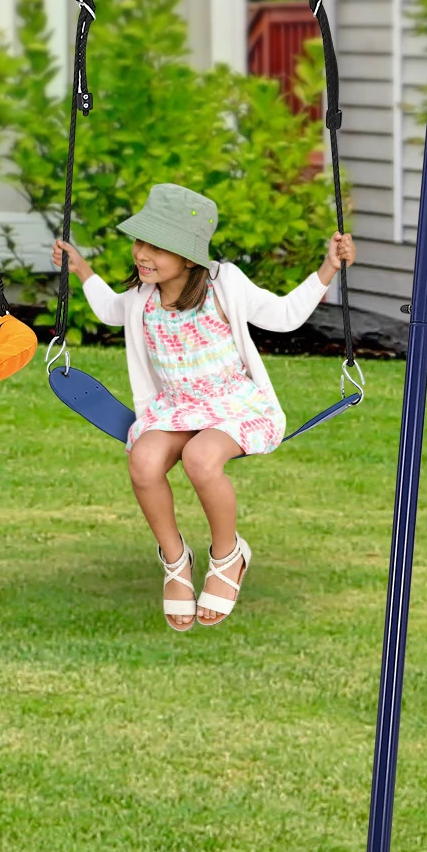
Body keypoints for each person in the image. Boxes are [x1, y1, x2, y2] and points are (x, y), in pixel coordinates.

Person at [52, 182, 356, 632]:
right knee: (143, 460)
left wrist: (328, 268)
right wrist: (80, 269)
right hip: (176, 409)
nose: (142, 254)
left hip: (233, 405)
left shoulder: (223, 284)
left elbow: (284, 315)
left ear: (190, 255)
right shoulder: (141, 297)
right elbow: (110, 310)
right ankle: (176, 561)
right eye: (140, 241)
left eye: (158, 247)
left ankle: (227, 554)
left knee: (200, 458)